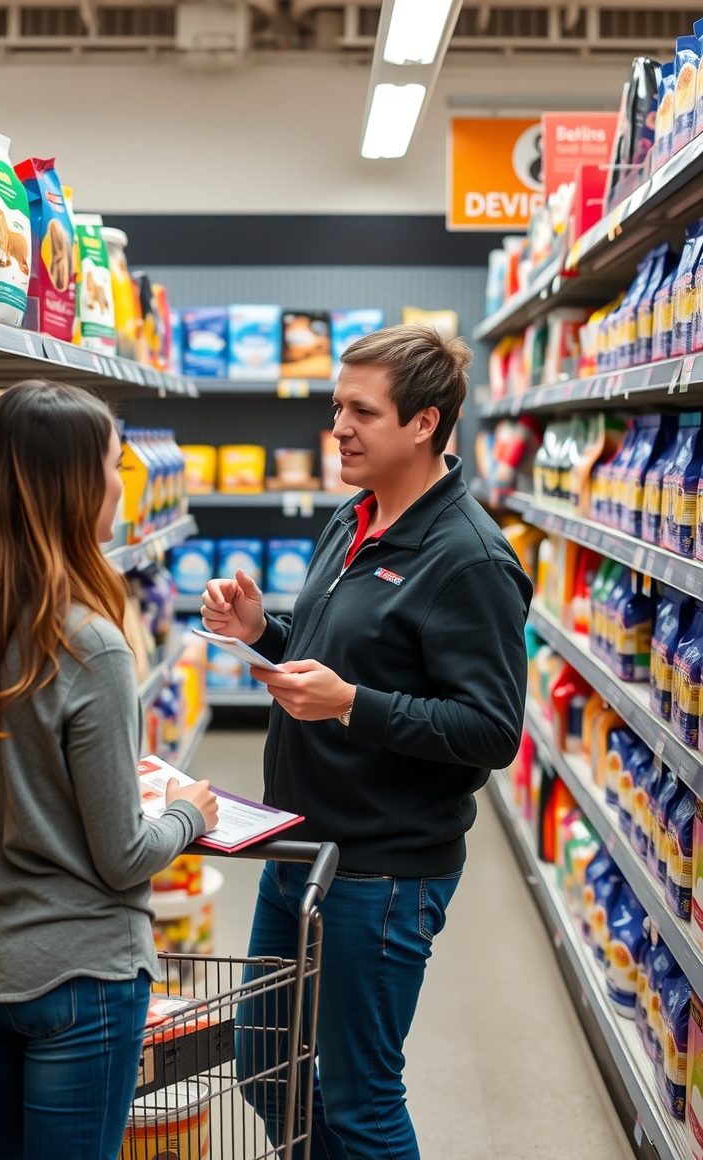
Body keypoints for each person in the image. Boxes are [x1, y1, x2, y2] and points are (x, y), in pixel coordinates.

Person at [202, 324, 532, 1160]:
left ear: (424, 423)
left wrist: (353, 706)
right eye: (336, 406)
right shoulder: (355, 514)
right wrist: (264, 632)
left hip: (381, 875)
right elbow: (332, 651)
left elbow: (490, 731)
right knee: (266, 1064)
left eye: (360, 411)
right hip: (298, 849)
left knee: (358, 1098)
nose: (338, 427)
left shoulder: (470, 560)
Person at [0, 381, 219, 1160]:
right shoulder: (91, 644)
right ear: (75, 487)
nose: (125, 482)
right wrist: (188, 812)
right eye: (114, 466)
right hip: (84, 978)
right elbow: (122, 856)